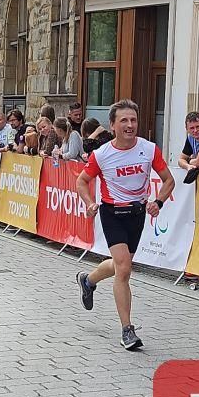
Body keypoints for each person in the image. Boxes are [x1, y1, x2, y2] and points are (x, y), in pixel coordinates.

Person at [76, 100, 174, 350]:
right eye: (124, 121)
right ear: (112, 125)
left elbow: (168, 180)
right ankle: (127, 330)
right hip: (112, 214)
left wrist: (158, 202)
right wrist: (90, 203)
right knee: (124, 269)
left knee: (121, 264)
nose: (130, 125)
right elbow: (81, 181)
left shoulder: (149, 149)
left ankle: (88, 280)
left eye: (133, 120)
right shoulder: (102, 154)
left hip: (137, 214)